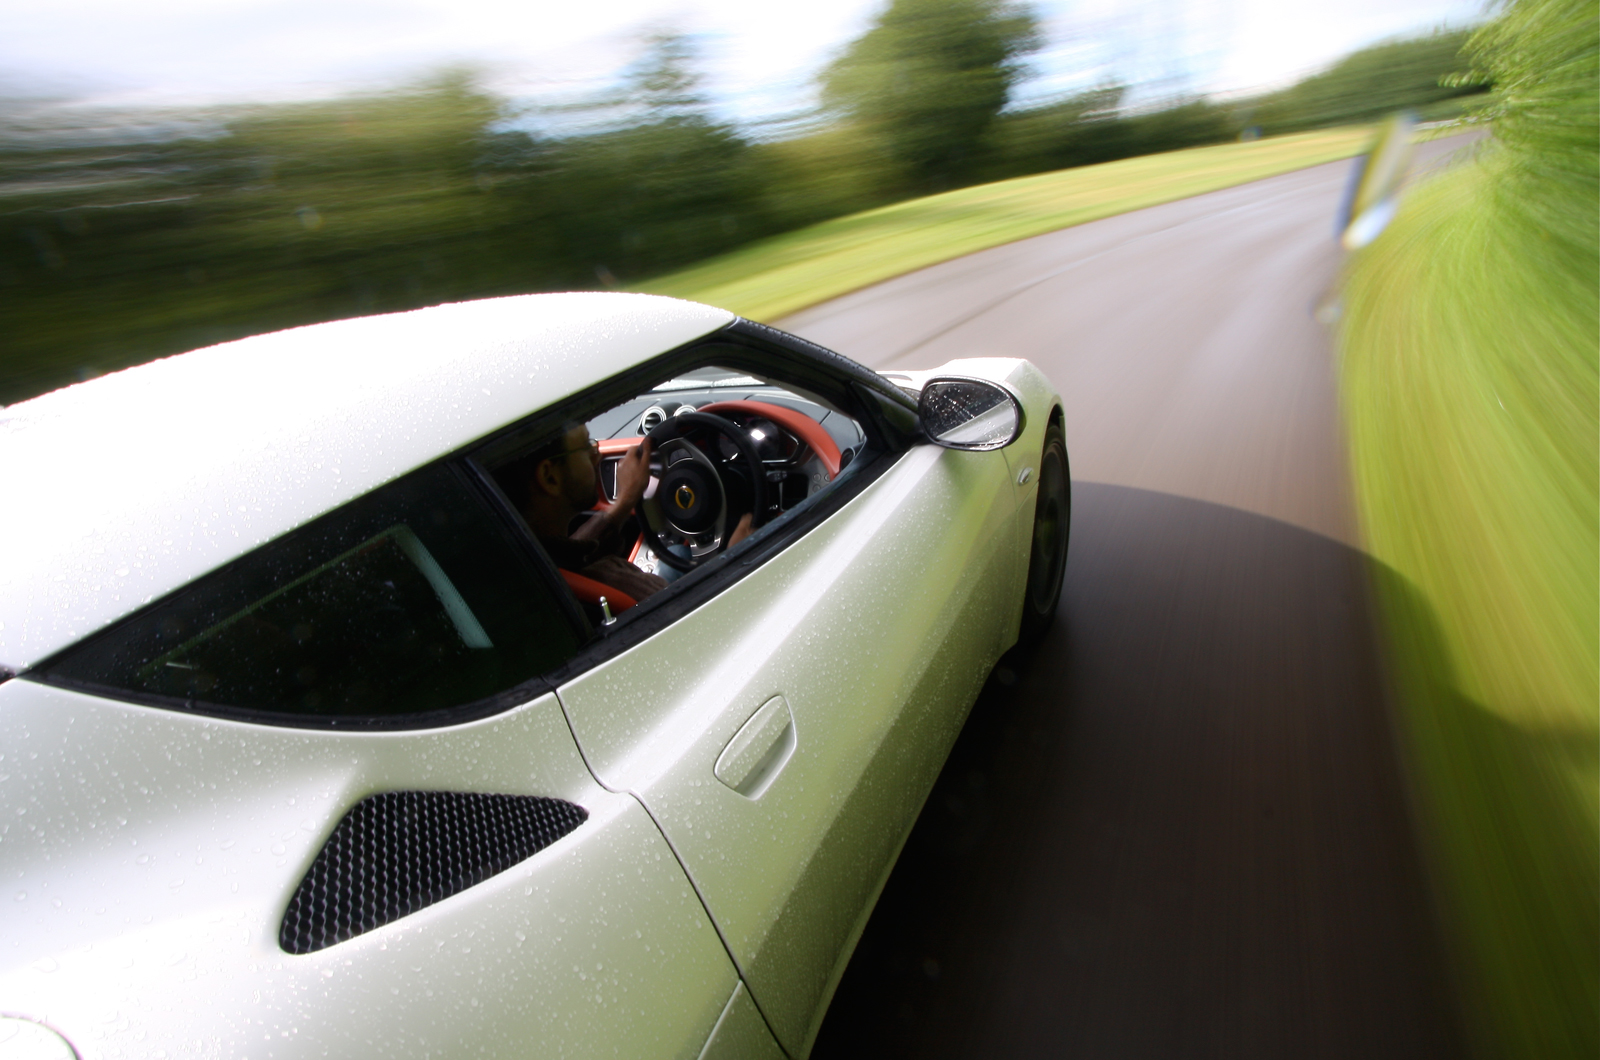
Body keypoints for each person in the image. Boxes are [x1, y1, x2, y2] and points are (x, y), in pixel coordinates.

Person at [504, 421, 752, 606]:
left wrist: (625, 500)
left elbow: (574, 554)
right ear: (549, 477)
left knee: (676, 554)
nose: (598, 454)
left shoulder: (527, 561)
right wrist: (734, 564)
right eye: (585, 448)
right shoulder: (617, 590)